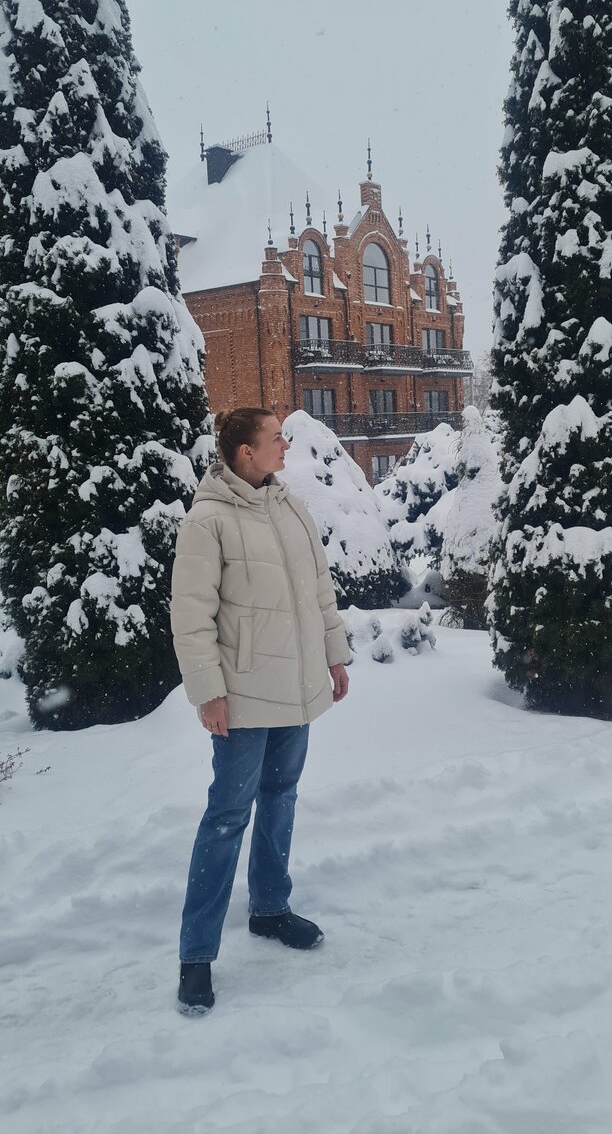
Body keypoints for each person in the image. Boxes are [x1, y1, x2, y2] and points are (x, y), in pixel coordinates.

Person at [170, 407, 351, 1015]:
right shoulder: (208, 521)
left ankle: (270, 909)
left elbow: (319, 590)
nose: (285, 445)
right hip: (243, 697)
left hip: (296, 688)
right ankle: (196, 955)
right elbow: (191, 617)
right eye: (276, 438)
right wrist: (208, 692)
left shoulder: (289, 506)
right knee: (226, 818)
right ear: (245, 453)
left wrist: (334, 655)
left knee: (281, 799)